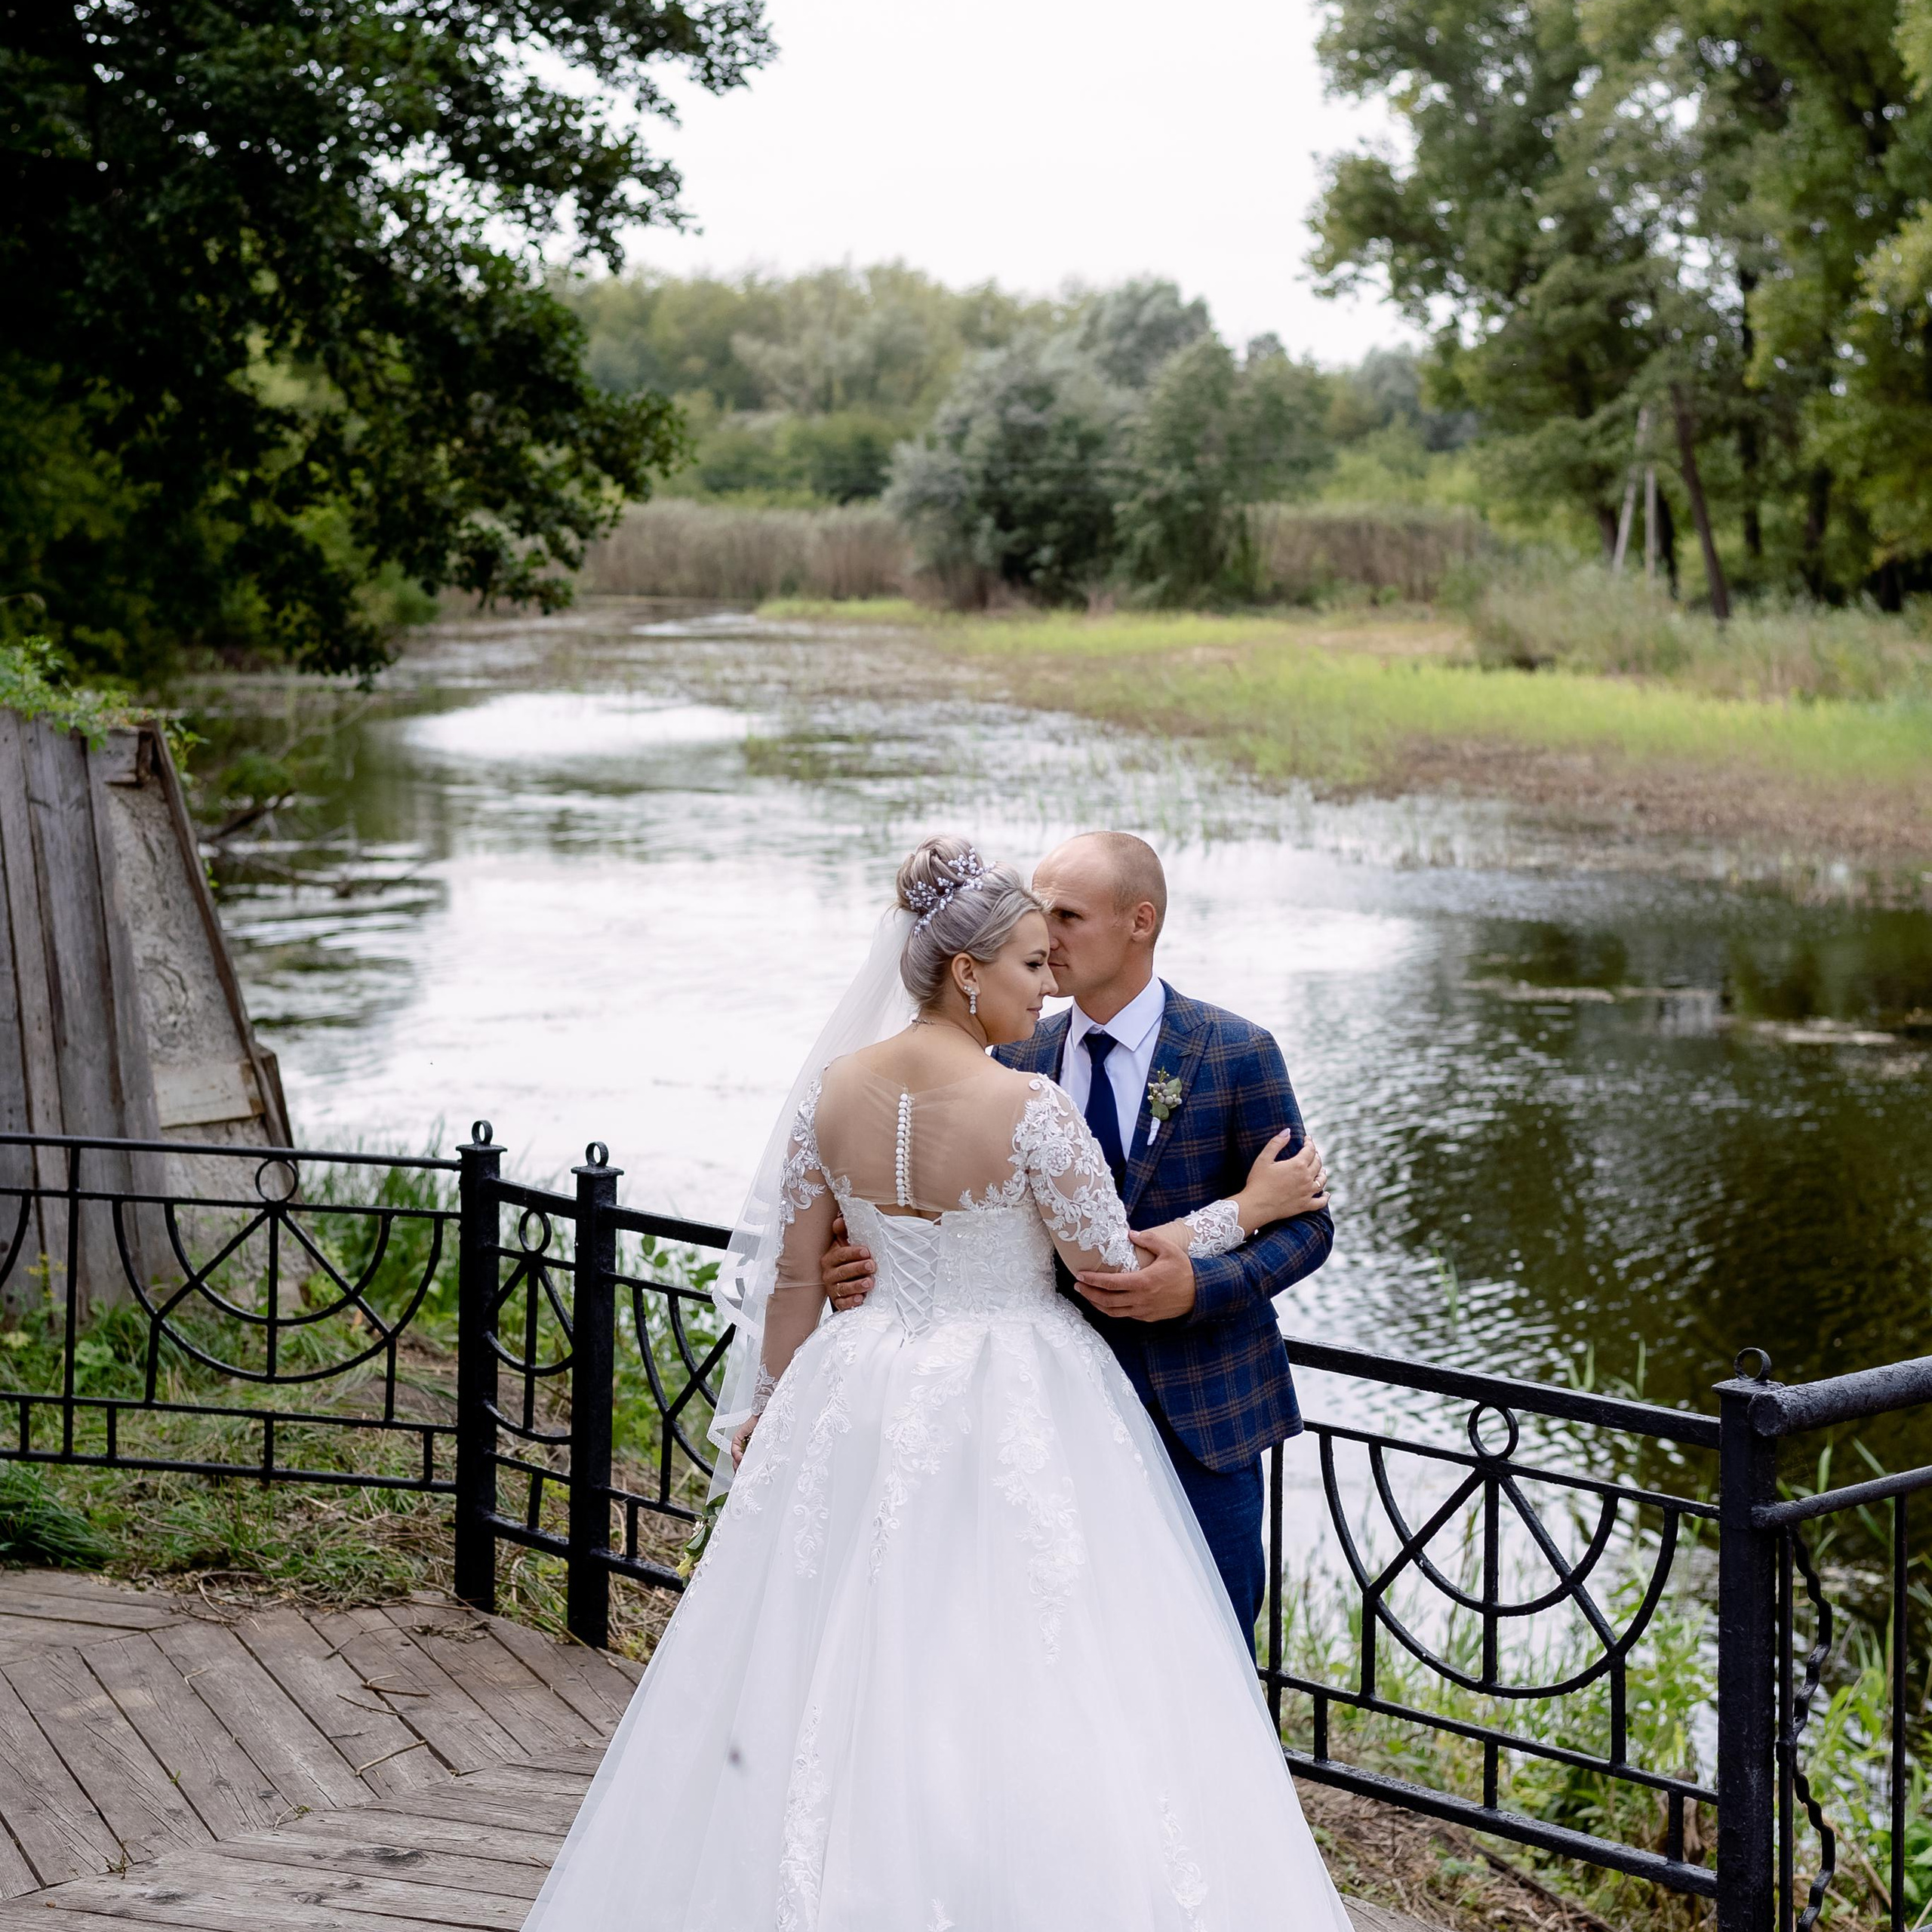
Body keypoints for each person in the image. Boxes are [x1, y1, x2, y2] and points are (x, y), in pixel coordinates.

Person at [521, 835, 1349, 1932]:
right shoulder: (1026, 1090)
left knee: (891, 1658)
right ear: (970, 970)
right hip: (1029, 1407)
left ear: (1140, 921)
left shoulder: (844, 1086)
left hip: (884, 1398)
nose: (1045, 967)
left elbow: (791, 1275)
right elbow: (1092, 1262)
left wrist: (771, 1399)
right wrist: (1243, 1209)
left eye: (1064, 933)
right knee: (1016, 1668)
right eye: (1026, 951)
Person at [822, 830, 1330, 1648]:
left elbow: (1307, 1226)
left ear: (1140, 921)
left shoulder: (1235, 1053)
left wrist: (1200, 1288)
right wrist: (850, 1257)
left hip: (1201, 1412)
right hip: (1036, 1417)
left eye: (1067, 914)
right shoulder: (1007, 1054)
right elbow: (927, 1197)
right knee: (1056, 1655)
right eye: (1038, 911)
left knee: (1210, 1654)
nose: (1043, 934)